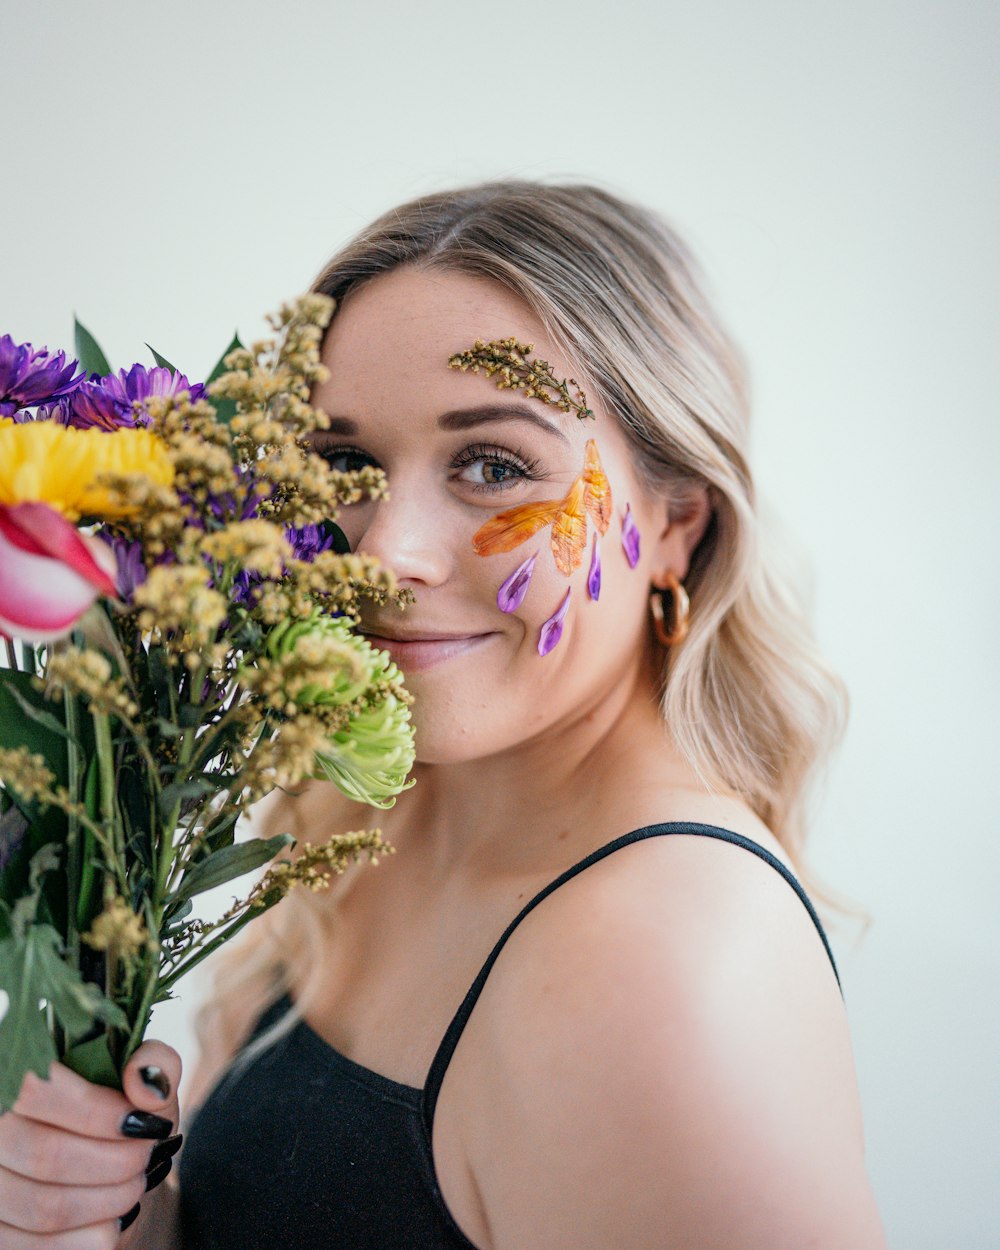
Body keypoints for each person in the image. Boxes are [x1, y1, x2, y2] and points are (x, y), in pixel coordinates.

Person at [0, 181, 887, 1249]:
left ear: (674, 526)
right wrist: (103, 1220)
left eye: (492, 464)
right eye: (344, 465)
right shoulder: (376, 810)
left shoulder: (661, 960)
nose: (384, 554)